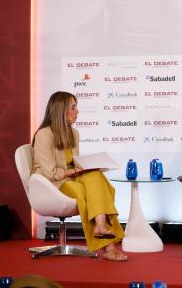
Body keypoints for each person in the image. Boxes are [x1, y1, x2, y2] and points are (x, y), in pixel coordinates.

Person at [32, 91, 127, 261]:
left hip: (72, 176)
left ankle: (100, 225)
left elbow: (75, 163)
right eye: (73, 107)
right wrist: (73, 172)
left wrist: (86, 167)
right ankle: (109, 247)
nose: (77, 112)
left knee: (96, 177)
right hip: (52, 183)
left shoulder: (74, 133)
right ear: (61, 110)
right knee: (83, 192)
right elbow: (51, 172)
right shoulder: (43, 135)